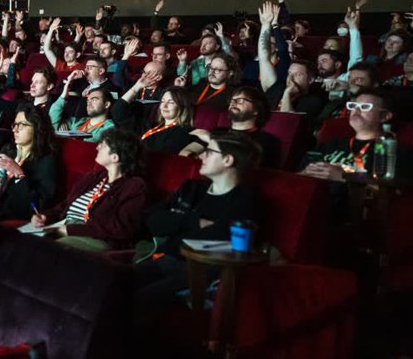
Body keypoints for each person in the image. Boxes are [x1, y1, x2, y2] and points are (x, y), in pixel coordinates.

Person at [135, 130, 260, 317]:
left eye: (209, 152)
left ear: (228, 160)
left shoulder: (244, 201)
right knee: (112, 282)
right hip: (167, 259)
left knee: (143, 298)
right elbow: (151, 220)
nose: (201, 155)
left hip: (201, 270)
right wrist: (193, 221)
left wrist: (176, 224)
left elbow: (217, 238)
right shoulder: (191, 187)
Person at [29, 128, 148, 251]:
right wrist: (45, 216)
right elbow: (66, 204)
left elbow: (119, 228)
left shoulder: (134, 187)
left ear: (115, 157)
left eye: (103, 145)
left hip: (94, 238)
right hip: (63, 227)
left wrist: (70, 229)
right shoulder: (94, 177)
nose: (97, 147)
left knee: (44, 250)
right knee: (21, 242)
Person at [0, 108, 58, 220]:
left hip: (10, 216)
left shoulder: (46, 161)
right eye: (15, 125)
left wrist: (19, 174)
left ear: (37, 128)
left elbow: (36, 207)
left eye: (21, 125)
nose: (15, 130)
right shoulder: (8, 150)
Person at [180, 84, 282, 168]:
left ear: (257, 110)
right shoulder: (217, 131)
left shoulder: (266, 141)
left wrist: (212, 141)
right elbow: (185, 153)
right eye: (232, 100)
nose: (233, 102)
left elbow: (240, 167)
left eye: (241, 100)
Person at [49, 73, 117, 142]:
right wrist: (63, 97)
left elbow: (90, 142)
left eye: (94, 99)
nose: (89, 103)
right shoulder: (77, 121)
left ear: (106, 104)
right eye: (87, 100)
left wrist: (67, 136)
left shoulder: (110, 128)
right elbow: (52, 122)